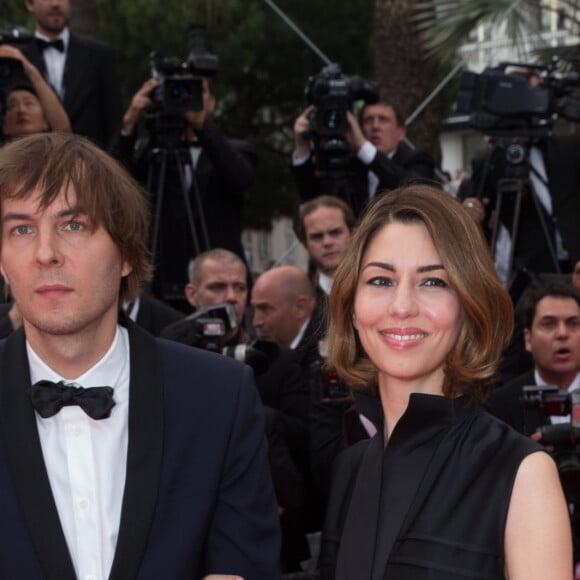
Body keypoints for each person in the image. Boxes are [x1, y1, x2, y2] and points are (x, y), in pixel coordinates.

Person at [0, 133, 280, 579]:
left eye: (73, 225)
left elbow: (243, 566)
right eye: (21, 229)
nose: (45, 253)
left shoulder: (219, 398)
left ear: (127, 252)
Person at [320, 184, 571, 579]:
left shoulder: (521, 472)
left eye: (433, 282)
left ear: (469, 307)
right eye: (381, 281)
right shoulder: (352, 469)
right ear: (351, 307)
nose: (402, 306)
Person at [161, 249, 311, 572]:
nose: (230, 297)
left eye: (239, 288)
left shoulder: (277, 360)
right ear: (192, 293)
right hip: (184, 533)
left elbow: (304, 441)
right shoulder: (167, 357)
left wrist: (249, 412)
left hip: (265, 529)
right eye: (217, 287)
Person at [111, 75, 255, 305]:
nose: (186, 99)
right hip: (163, 276)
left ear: (212, 102)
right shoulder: (153, 153)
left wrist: (202, 125)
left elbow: (241, 178)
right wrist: (130, 121)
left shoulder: (235, 150)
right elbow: (114, 181)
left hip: (218, 279)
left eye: (197, 91)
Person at [292, 100, 435, 217]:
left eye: (383, 120)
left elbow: (412, 191)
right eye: (368, 120)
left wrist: (362, 146)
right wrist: (302, 147)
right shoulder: (349, 164)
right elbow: (314, 200)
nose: (375, 126)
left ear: (401, 133)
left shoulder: (418, 160)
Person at [21, 0, 123, 148]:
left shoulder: (99, 55)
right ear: (30, 4)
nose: (55, 4)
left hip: (91, 162)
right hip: (33, 162)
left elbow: (114, 121)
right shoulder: (17, 58)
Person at [488, 281, 580, 434]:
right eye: (549, 324)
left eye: (573, 324)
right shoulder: (498, 407)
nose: (562, 334)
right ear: (528, 339)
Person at [0, 44, 71, 142]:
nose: (21, 110)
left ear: (46, 122)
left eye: (29, 103)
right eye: (12, 105)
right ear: (4, 125)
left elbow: (63, 130)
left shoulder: (55, 153)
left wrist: (31, 71)